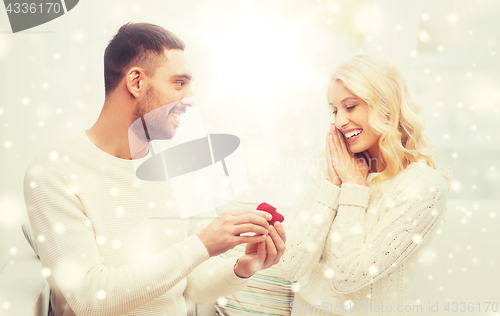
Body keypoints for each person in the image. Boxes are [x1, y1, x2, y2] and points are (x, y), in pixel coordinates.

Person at [24, 22, 286, 316]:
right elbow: (90, 298)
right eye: (179, 83)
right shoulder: (54, 172)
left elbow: (195, 285)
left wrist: (243, 268)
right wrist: (202, 243)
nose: (190, 100)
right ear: (136, 82)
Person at [279, 54, 450, 316]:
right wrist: (333, 187)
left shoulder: (423, 187)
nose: (339, 121)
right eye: (334, 110)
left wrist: (354, 187)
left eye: (350, 107)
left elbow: (346, 277)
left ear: (386, 106)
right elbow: (290, 266)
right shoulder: (326, 160)